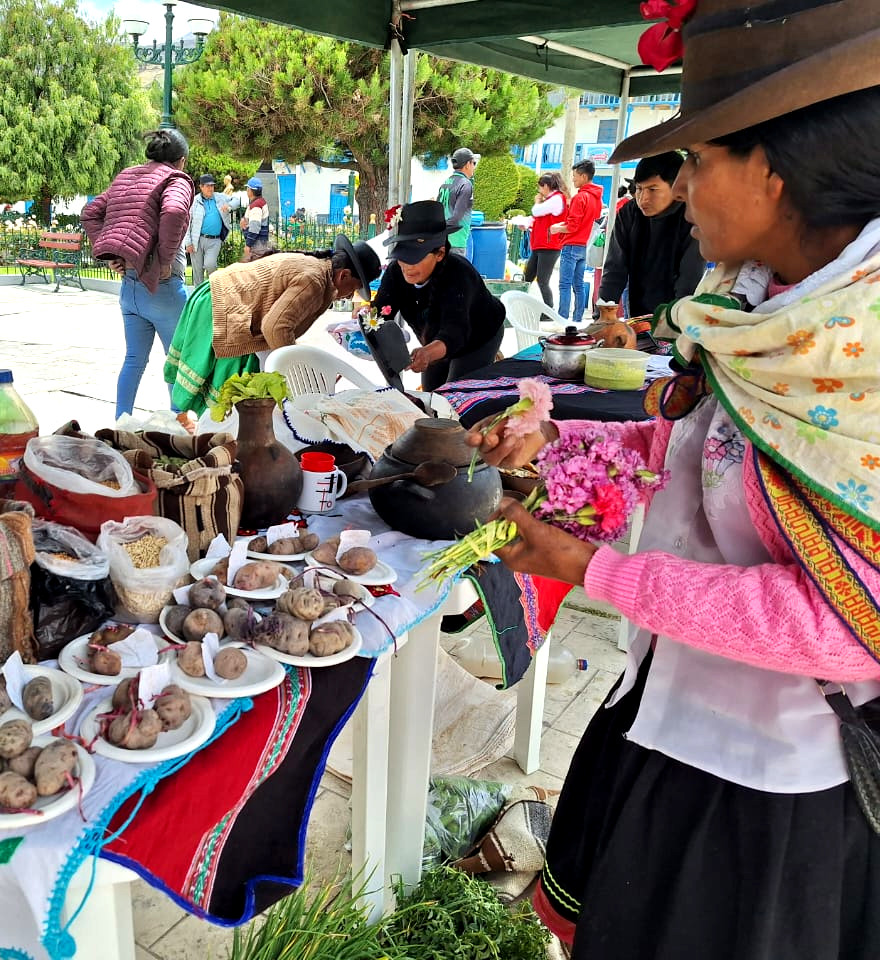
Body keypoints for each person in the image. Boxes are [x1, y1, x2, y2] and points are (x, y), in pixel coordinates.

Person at [470, 3, 880, 956]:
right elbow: (693, 462)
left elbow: (845, 618)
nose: (679, 187)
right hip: (669, 709)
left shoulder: (855, 366)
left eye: (698, 161)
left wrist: (589, 570)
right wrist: (554, 450)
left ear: (774, 172)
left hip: (776, 784)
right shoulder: (753, 315)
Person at [165, 236, 381, 415]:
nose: (350, 294)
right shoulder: (314, 280)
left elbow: (279, 329)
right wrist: (298, 371)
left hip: (233, 307)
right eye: (354, 288)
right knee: (223, 397)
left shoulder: (321, 275)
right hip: (222, 306)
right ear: (344, 275)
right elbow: (276, 328)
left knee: (244, 392)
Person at [81, 129, 194, 422]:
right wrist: (164, 259)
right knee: (178, 364)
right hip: (163, 289)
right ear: (181, 161)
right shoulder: (176, 179)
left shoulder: (127, 176)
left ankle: (121, 424)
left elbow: (91, 212)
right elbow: (173, 210)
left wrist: (110, 255)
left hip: (129, 291)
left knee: (133, 361)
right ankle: (181, 429)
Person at [370, 200, 506, 391]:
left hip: (477, 336)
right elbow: (382, 313)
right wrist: (364, 319)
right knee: (432, 393)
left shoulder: (459, 274)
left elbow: (455, 333)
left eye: (415, 257)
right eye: (402, 255)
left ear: (440, 253)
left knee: (454, 394)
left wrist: (426, 354)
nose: (407, 265)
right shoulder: (395, 272)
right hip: (434, 337)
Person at [598, 151, 706, 319]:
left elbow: (690, 278)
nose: (643, 198)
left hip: (678, 313)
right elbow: (614, 268)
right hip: (637, 309)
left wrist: (673, 322)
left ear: (676, 187)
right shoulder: (628, 213)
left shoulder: (691, 217)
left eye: (653, 189)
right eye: (639, 189)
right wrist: (604, 314)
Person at [550, 159, 603, 323]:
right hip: (584, 246)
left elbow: (572, 226)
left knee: (565, 285)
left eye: (575, 176)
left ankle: (562, 319)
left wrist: (557, 228)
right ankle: (577, 319)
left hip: (571, 245)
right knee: (578, 285)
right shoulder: (597, 198)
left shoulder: (580, 198)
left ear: (584, 176)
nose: (573, 179)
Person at [522, 174, 567, 309]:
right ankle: (521, 304)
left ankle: (548, 309)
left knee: (542, 280)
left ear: (546, 186)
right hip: (540, 245)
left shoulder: (557, 199)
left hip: (549, 246)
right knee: (527, 276)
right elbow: (539, 218)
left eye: (540, 187)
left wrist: (537, 201)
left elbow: (536, 211)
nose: (539, 191)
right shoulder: (550, 200)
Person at [436, 147, 479, 258]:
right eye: (473, 163)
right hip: (456, 241)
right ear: (467, 164)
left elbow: (436, 210)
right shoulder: (465, 184)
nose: (474, 167)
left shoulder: (446, 183)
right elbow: (456, 218)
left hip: (441, 240)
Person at [186, 174, 230, 282]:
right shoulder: (194, 201)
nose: (211, 188)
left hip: (215, 240)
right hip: (197, 240)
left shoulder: (220, 197)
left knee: (210, 265)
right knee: (197, 273)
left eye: (212, 186)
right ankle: (199, 297)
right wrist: (188, 242)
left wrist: (230, 206)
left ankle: (213, 292)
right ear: (201, 187)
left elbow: (236, 201)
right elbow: (186, 222)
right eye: (208, 186)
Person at [238, 177, 269, 261]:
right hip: (259, 242)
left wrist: (248, 245)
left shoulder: (256, 205)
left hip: (257, 244)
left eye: (247, 188)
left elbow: (255, 228)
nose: (247, 190)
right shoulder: (260, 202)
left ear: (250, 191)